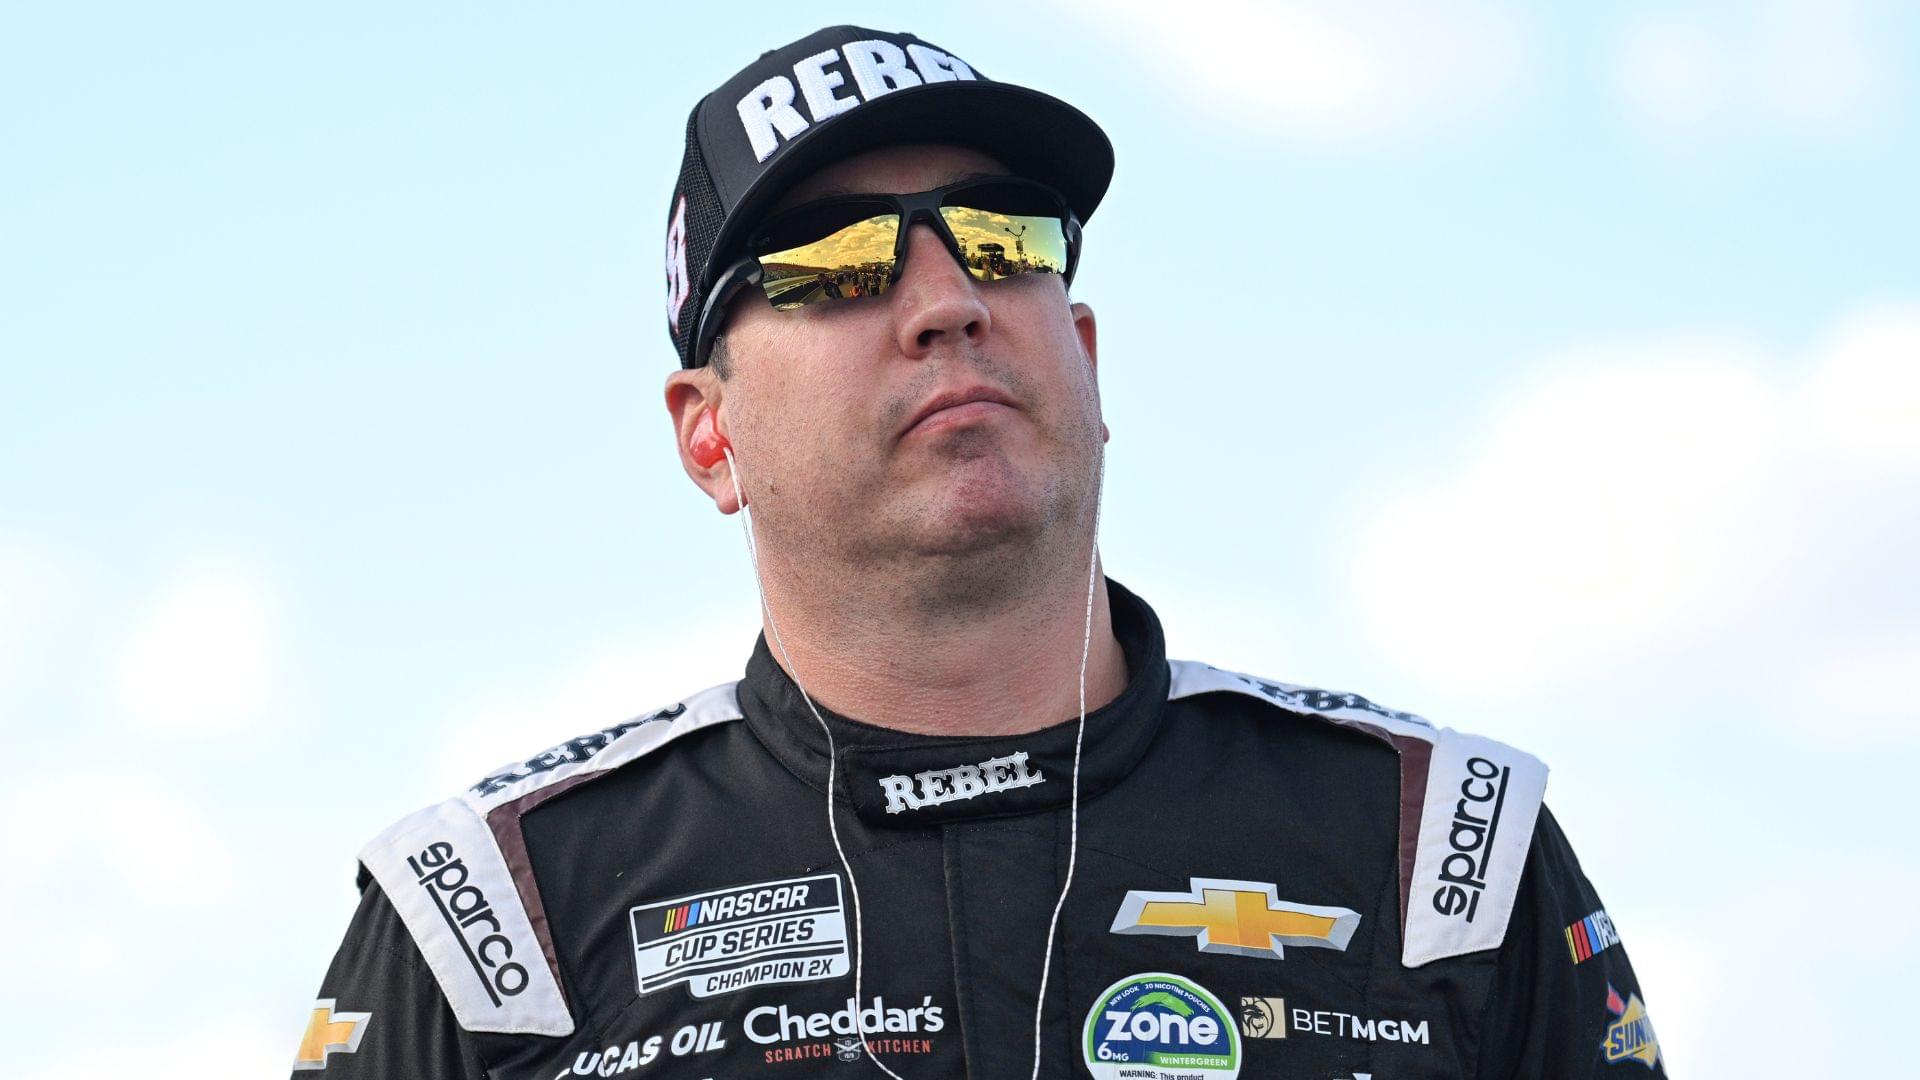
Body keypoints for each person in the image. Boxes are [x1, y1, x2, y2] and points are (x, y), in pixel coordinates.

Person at [291, 25, 1665, 1080]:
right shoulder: (488, 924)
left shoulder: (1448, 853)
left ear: (1083, 354)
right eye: (834, 263)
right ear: (710, 439)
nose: (949, 301)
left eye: (1004, 243)